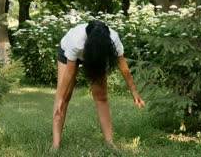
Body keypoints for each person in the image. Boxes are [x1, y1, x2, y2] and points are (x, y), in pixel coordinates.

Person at [52, 20, 145, 149]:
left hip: (97, 57)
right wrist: (61, 97)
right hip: (68, 54)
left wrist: (134, 91)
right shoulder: (76, 42)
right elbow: (69, 73)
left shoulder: (113, 39)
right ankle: (55, 145)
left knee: (101, 96)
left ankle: (110, 143)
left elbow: (123, 67)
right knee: (63, 97)